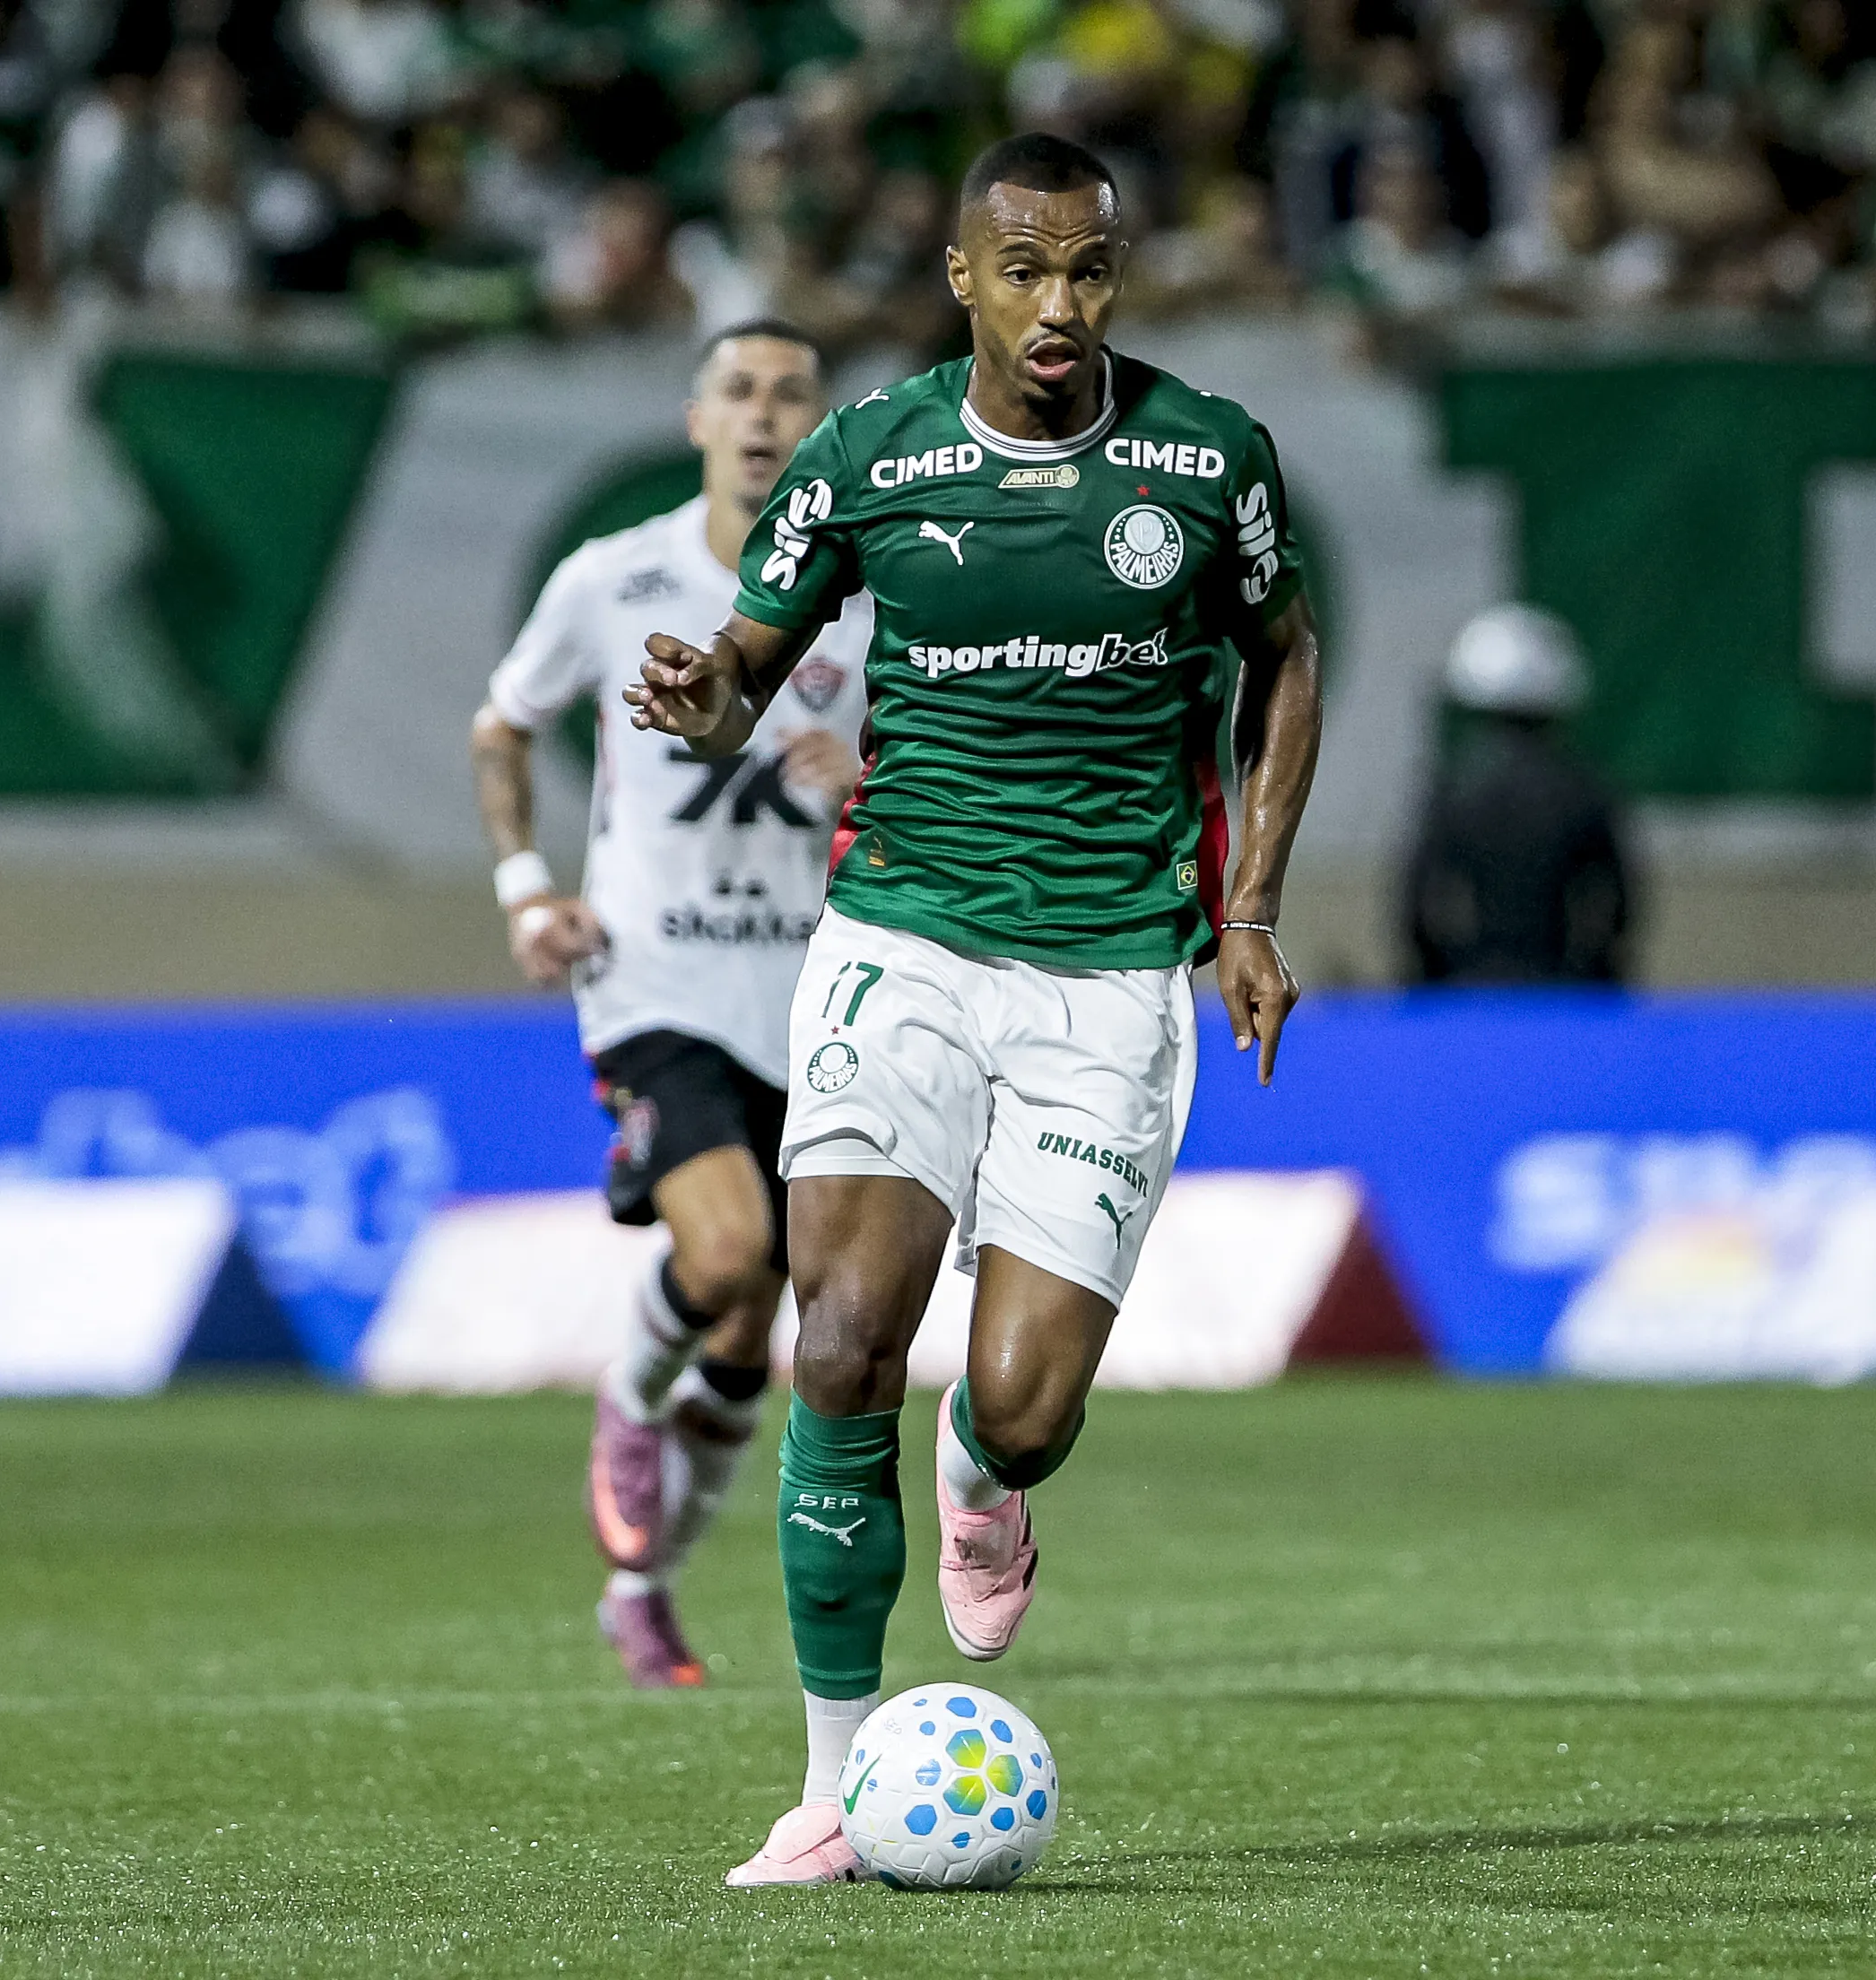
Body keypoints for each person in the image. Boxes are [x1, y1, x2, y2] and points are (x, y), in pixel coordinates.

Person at [624, 131, 1323, 1889]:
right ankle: (828, 1788)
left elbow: (1285, 657)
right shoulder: (871, 458)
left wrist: (1249, 907)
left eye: (1087, 268)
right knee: (840, 1337)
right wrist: (707, 698)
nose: (1058, 302)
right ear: (963, 279)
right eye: (1024, 270)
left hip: (1113, 970)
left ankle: (987, 1471)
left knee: (1018, 1402)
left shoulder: (1205, 459)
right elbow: (746, 672)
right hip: (905, 942)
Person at [470, 319, 873, 1689]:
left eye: (791, 395)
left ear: (822, 430)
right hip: (654, 982)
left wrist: (865, 782)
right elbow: (502, 724)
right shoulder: (615, 577)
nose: (763, 416)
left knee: (759, 1331)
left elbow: (935, 776)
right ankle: (628, 1395)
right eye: (738, 392)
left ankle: (640, 1588)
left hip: (813, 998)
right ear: (696, 418)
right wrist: (530, 891)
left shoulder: (867, 601)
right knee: (727, 1250)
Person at [1403, 604, 1635, 985]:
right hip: (1563, 989)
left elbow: (1415, 905)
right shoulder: (1582, 788)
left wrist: (1440, 977)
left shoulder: (1453, 788)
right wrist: (1589, 975)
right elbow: (1618, 903)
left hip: (1469, 987)